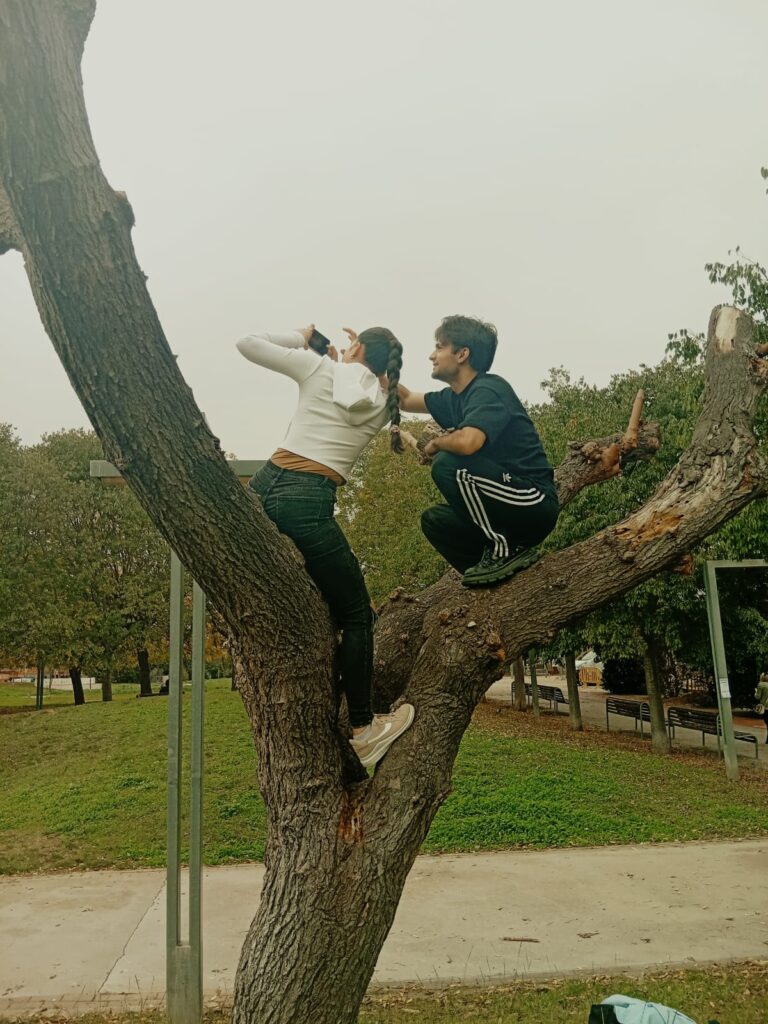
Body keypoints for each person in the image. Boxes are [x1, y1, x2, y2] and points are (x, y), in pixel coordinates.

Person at [236, 325, 415, 767]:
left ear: (357, 347)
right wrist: (360, 364)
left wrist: (304, 337)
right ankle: (362, 727)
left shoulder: (319, 369)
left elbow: (247, 343)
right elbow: (388, 389)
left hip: (263, 490)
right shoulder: (385, 403)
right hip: (308, 503)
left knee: (337, 608)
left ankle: (361, 724)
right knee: (357, 615)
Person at [398, 314, 559, 587]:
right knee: (434, 521)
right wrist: (369, 367)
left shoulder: (489, 389)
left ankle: (503, 551)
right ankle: (495, 580)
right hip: (505, 506)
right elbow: (404, 399)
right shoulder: (452, 398)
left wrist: (435, 443)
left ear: (462, 354)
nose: (431, 355)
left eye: (439, 347)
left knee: (447, 465)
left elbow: (468, 442)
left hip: (532, 501)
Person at [754, 672, 768, 744]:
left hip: (766, 707)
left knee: (767, 722)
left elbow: (757, 697)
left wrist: (756, 691)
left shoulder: (761, 684)